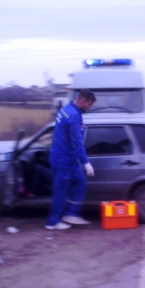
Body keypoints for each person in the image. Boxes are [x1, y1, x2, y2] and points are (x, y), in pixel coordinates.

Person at [45, 89, 96, 230]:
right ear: (82, 101)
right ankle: (52, 222)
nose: (89, 107)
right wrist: (86, 163)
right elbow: (76, 143)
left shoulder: (66, 108)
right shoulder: (74, 116)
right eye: (89, 104)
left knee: (80, 183)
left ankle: (71, 214)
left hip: (66, 159)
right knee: (60, 192)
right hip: (64, 161)